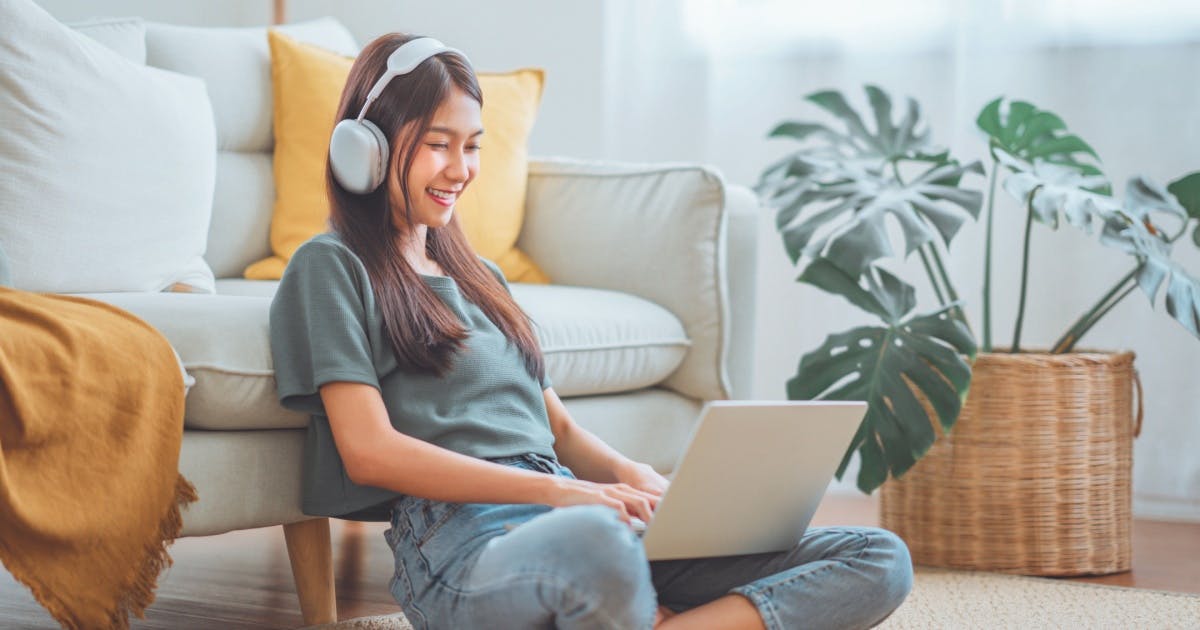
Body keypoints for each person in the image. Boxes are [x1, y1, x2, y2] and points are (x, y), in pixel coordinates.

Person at [268, 32, 913, 630]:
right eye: (439, 144)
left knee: (878, 556)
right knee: (600, 544)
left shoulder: (479, 274)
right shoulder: (331, 266)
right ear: (368, 145)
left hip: (571, 514)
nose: (461, 169)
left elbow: (562, 431)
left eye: (473, 146)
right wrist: (562, 493)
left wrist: (646, 484)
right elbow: (369, 450)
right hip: (463, 539)